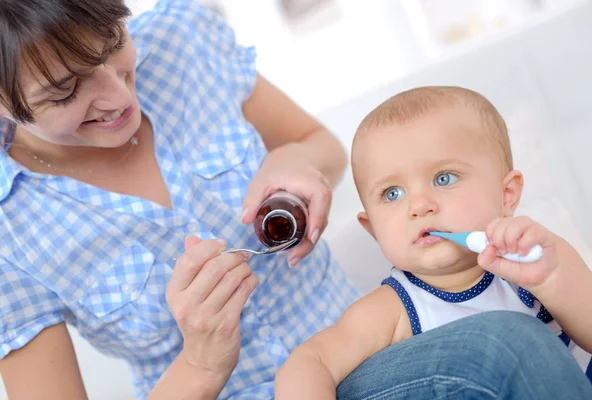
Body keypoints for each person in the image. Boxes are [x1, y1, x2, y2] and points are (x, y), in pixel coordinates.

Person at [0, 0, 360, 399]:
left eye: (113, 43)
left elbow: (322, 146)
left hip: (368, 352)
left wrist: (294, 158)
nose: (118, 95)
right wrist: (200, 365)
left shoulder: (184, 41)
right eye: (65, 91)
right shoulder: (8, 232)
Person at [275, 86, 592, 399]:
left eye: (444, 178)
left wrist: (554, 279)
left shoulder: (531, 260)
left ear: (507, 194)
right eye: (392, 194)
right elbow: (310, 362)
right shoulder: (394, 309)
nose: (419, 206)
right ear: (373, 229)